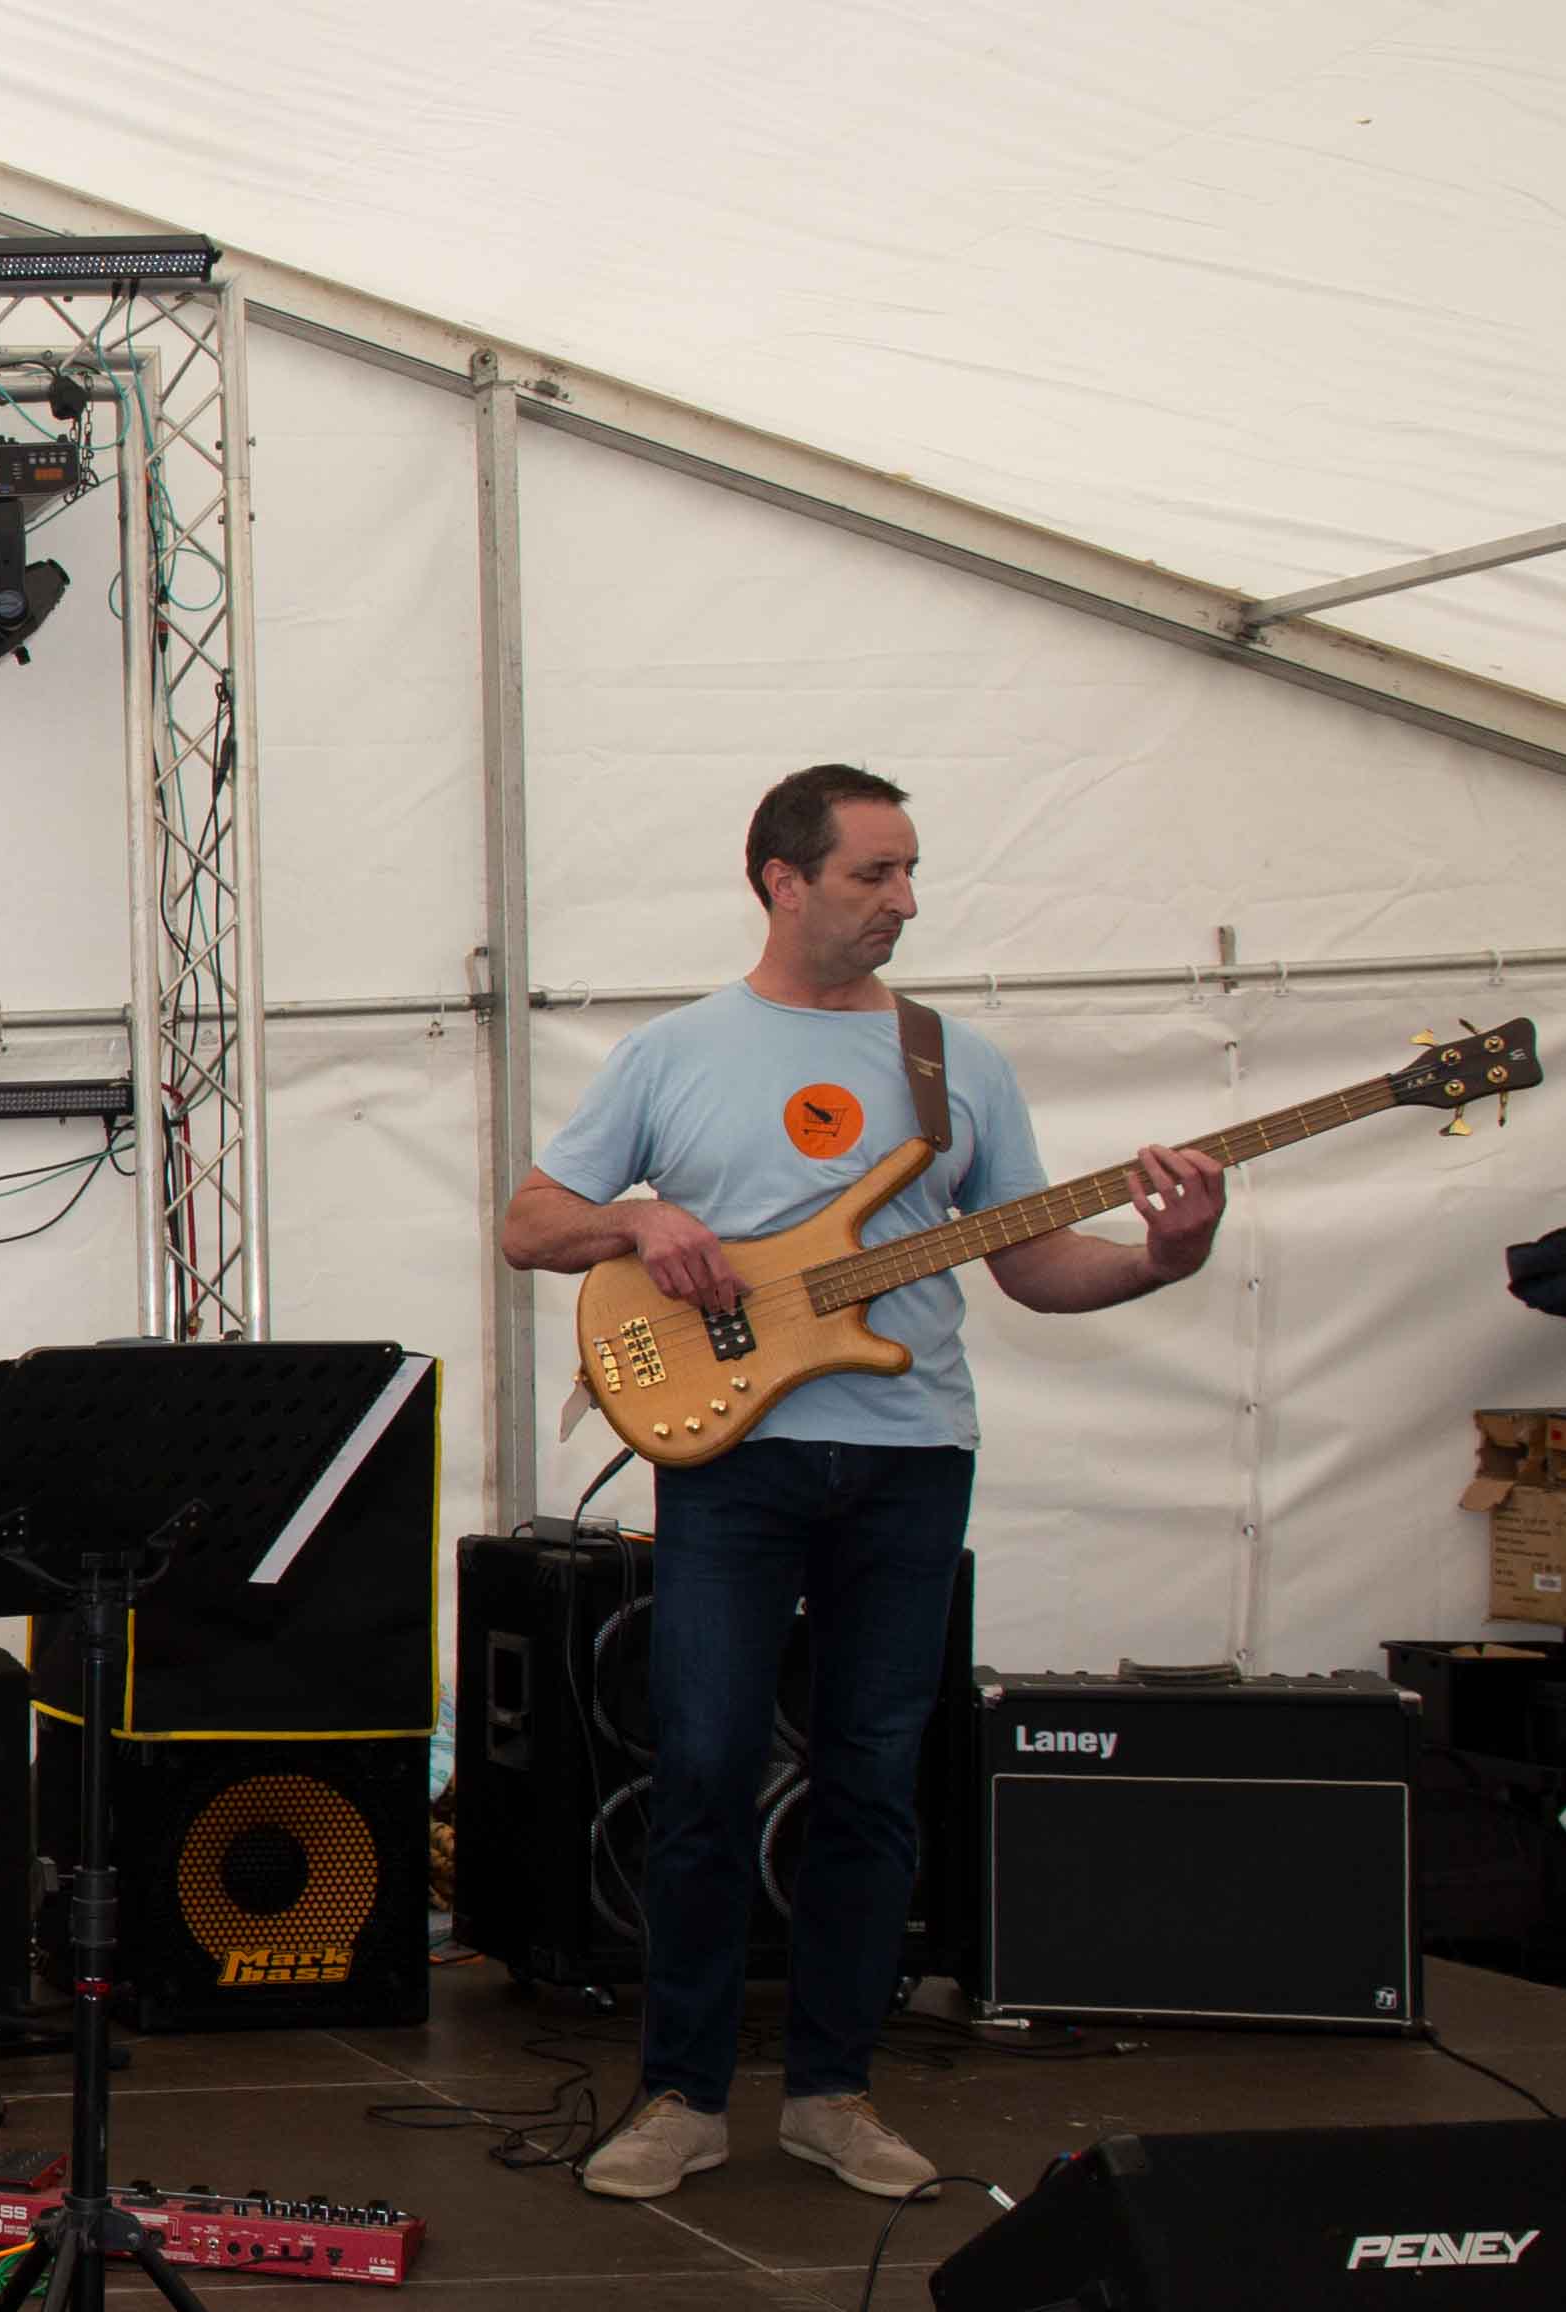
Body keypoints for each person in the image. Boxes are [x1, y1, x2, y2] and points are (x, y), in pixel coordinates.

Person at [501, 763, 1222, 2200]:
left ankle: (834, 2091)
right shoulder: (675, 1052)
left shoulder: (955, 1061)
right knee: (703, 1768)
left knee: (874, 1779)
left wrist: (1163, 1255)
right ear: (783, 879)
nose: (903, 900)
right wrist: (636, 1222)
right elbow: (531, 1221)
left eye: (908, 873)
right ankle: (681, 2094)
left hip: (911, 1456)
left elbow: (1030, 1262)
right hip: (736, 1455)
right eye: (873, 873)